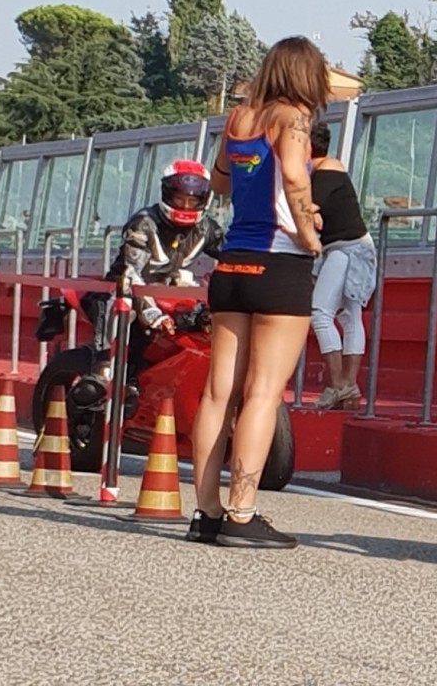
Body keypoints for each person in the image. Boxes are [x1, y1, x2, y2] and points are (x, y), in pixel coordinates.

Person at [189, 35, 328, 549]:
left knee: (218, 392)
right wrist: (308, 233)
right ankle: (242, 513)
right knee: (264, 392)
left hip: (232, 264)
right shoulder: (294, 118)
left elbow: (220, 182)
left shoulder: (239, 118)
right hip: (279, 264)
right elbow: (293, 175)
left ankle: (206, 512)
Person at [69, 159, 223, 405]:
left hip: (166, 289)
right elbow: (131, 272)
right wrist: (153, 314)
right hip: (123, 289)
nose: (185, 205)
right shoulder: (143, 224)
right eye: (179, 198)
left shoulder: (207, 228)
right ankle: (101, 375)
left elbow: (232, 256)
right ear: (167, 194)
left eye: (193, 200)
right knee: (121, 320)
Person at [309, 119, 377, 410]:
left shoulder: (327, 170)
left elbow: (306, 207)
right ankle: (348, 385)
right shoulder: (326, 172)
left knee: (320, 313)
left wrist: (310, 212)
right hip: (349, 246)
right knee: (350, 316)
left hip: (347, 247)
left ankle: (337, 383)